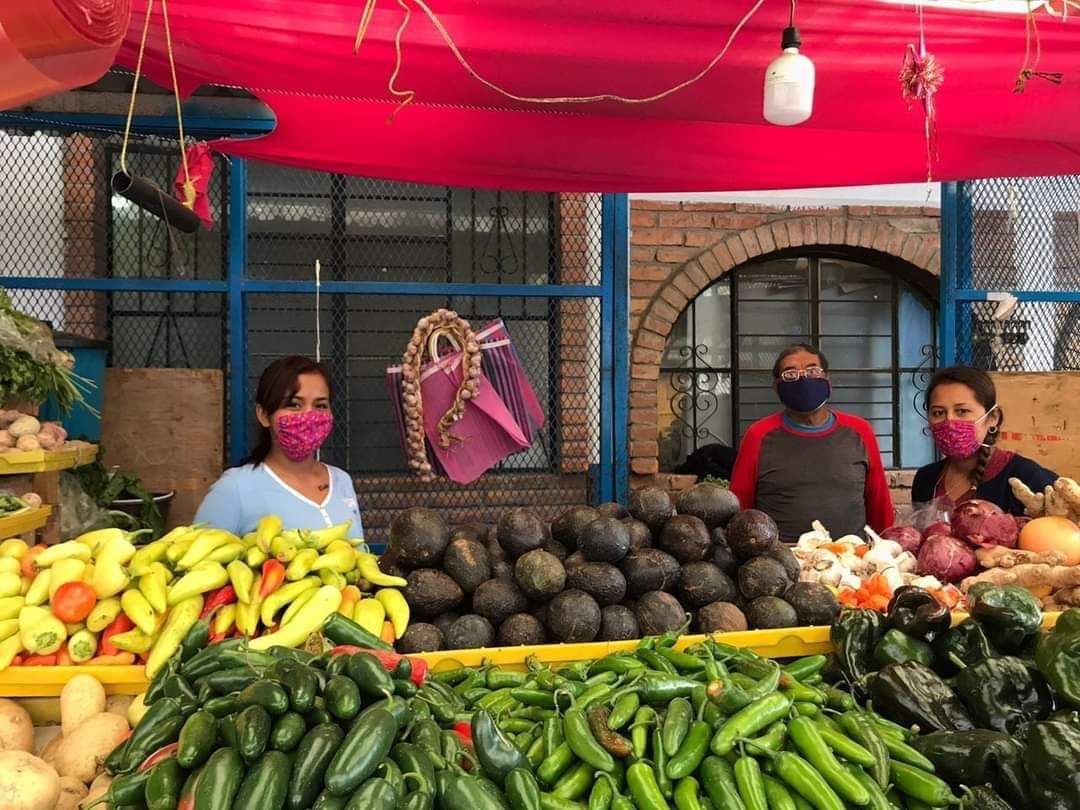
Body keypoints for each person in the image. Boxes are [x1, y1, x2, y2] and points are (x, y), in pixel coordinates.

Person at [729, 343, 894, 540]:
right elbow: (740, 509)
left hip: (852, 561)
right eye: (790, 374)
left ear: (827, 380)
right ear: (776, 387)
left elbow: (879, 505)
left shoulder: (859, 431)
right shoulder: (758, 435)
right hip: (780, 564)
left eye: (812, 370)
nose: (803, 379)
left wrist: (888, 550)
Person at [195, 355, 364, 539]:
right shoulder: (234, 489)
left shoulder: (342, 481)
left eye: (320, 405)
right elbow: (199, 561)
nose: (308, 415)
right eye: (294, 405)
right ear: (264, 415)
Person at [911, 366, 1057, 516]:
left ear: (993, 417)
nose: (949, 421)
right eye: (938, 413)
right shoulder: (926, 480)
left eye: (962, 411)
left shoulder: (1027, 478)